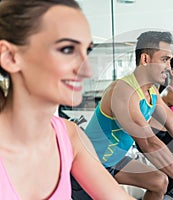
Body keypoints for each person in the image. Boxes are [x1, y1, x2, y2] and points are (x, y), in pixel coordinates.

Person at [0, 1, 134, 199]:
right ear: (10, 57)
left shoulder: (69, 137)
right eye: (67, 50)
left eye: (86, 51)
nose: (86, 71)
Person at [72, 31, 173, 200]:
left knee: (159, 181)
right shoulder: (123, 91)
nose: (169, 66)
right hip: (88, 165)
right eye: (164, 59)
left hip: (113, 161)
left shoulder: (151, 91)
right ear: (145, 59)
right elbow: (148, 143)